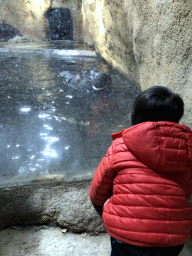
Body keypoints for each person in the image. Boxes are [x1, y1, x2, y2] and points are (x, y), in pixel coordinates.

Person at [89, 86, 192, 256]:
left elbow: (97, 191)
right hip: (173, 239)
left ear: (136, 115)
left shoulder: (120, 145)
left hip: (125, 237)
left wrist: (107, 210)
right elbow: (187, 191)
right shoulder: (187, 150)